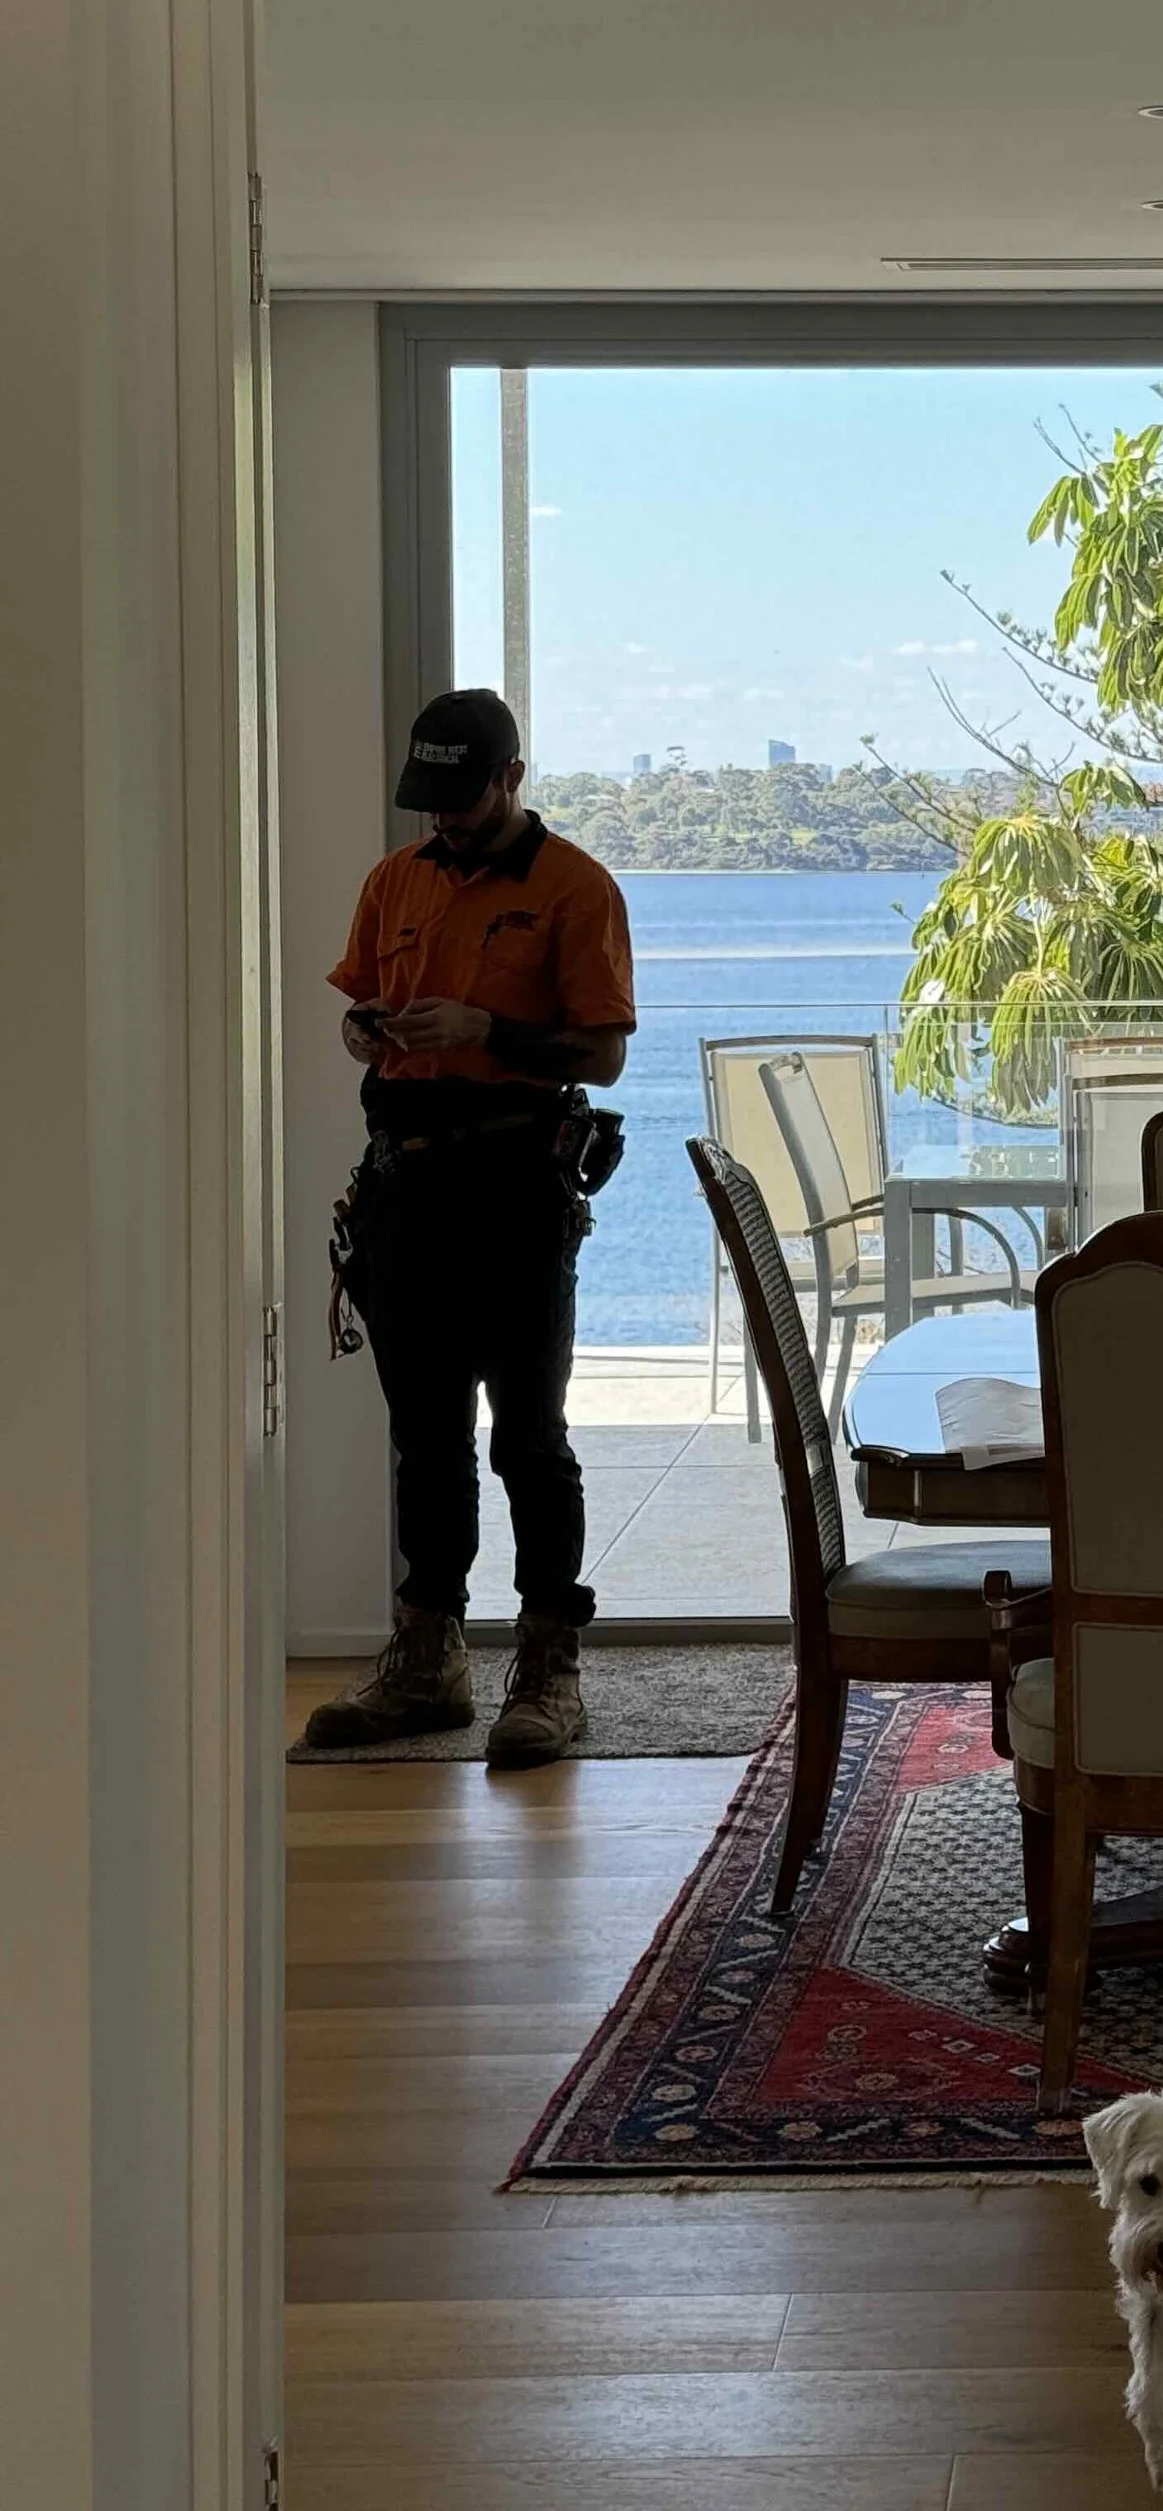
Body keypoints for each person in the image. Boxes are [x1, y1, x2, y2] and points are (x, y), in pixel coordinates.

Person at [302, 690, 636, 1765]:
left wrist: (485, 1029)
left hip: (515, 1188)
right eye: (428, 803)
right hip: (403, 1186)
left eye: (461, 799)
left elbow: (602, 1056)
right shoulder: (392, 883)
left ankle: (548, 1664)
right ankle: (427, 1659)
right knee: (425, 1439)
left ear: (511, 779)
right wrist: (371, 1030)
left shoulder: (575, 889)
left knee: (528, 1437)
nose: (442, 822)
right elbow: (357, 1003)